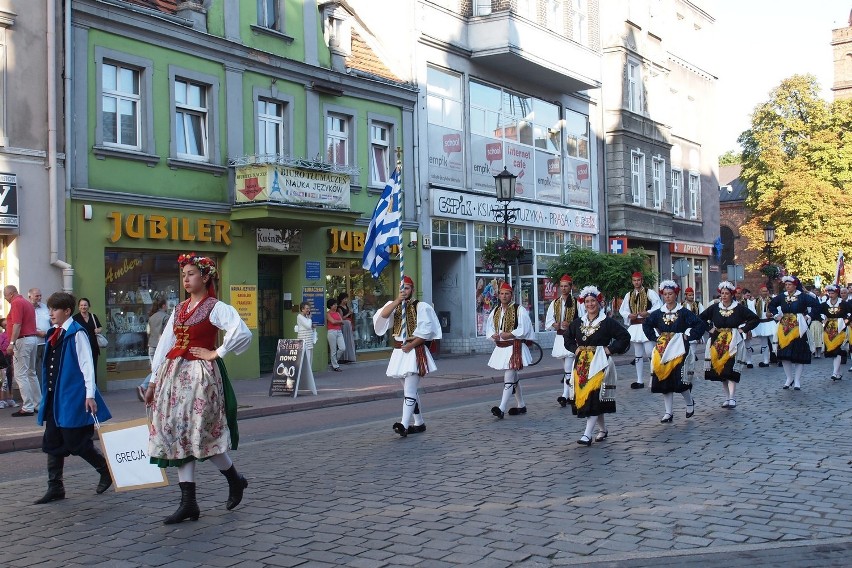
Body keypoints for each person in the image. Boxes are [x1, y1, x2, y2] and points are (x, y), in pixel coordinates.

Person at [144, 253, 252, 524]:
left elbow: (242, 332)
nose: (186, 279)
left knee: (200, 433)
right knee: (179, 433)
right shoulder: (179, 309)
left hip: (200, 378)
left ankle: (233, 480)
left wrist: (217, 352)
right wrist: (153, 381)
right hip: (173, 376)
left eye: (191, 274)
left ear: (205, 277)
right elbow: (166, 344)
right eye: (184, 275)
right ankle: (189, 502)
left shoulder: (215, 307)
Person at [34, 292, 113, 504]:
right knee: (52, 440)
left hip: (72, 396)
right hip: (54, 396)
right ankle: (55, 487)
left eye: (54, 309)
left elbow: (87, 365)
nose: (50, 313)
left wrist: (90, 394)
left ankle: (105, 470)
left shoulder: (77, 333)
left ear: (67, 311)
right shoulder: (54, 333)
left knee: (76, 441)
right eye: (50, 309)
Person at [373, 276, 441, 437]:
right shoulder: (394, 305)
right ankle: (419, 422)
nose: (404, 291)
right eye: (402, 288)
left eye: (407, 288)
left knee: (409, 390)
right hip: (399, 353)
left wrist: (412, 344)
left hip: (414, 350)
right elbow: (382, 316)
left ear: (413, 289)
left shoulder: (421, 307)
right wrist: (397, 301)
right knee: (409, 391)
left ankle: (403, 424)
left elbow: (427, 332)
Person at [564, 286, 630, 445]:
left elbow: (624, 337)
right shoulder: (578, 323)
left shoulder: (607, 322)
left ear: (599, 302)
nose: (590, 304)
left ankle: (587, 434)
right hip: (582, 365)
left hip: (600, 363)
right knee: (592, 397)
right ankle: (602, 429)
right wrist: (575, 348)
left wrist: (610, 349)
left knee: (593, 395)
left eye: (593, 301)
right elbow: (567, 338)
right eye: (587, 301)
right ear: (583, 303)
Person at [642, 281, 707, 422]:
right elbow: (646, 324)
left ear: (675, 294)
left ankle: (689, 402)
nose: (667, 297)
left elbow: (700, 324)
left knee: (679, 379)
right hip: (663, 349)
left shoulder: (683, 312)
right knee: (664, 379)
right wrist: (655, 337)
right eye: (665, 294)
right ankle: (668, 412)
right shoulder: (658, 313)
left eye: (670, 294)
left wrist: (688, 336)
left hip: (679, 349)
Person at [699, 281, 760, 409]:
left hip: (733, 341)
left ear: (732, 295)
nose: (724, 296)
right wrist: (709, 329)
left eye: (727, 293)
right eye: (722, 293)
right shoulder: (715, 308)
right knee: (722, 371)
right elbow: (700, 318)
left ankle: (732, 397)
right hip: (717, 341)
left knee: (730, 368)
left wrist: (743, 329)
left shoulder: (738, 308)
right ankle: (727, 397)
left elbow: (754, 319)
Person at [487, 282, 534, 419]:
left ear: (511, 295)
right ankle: (521, 405)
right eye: (502, 293)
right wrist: (493, 335)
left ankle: (501, 408)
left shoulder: (519, 309)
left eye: (507, 293)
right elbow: (489, 327)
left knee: (509, 375)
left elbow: (524, 327)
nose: (504, 296)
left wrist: (511, 334)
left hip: (515, 347)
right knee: (514, 377)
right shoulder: (495, 310)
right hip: (501, 347)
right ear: (498, 295)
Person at [769, 275, 819, 391]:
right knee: (785, 354)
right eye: (786, 285)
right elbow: (771, 305)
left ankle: (797, 380)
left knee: (798, 354)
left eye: (789, 285)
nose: (787, 287)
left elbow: (816, 305)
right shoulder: (782, 297)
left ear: (795, 285)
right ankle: (789, 378)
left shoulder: (802, 297)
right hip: (785, 327)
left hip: (798, 327)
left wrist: (808, 316)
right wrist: (776, 315)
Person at [619, 271, 662, 389]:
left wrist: (648, 312)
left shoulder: (650, 293)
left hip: (646, 325)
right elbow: (623, 310)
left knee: (650, 352)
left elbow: (658, 306)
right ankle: (639, 380)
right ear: (632, 282)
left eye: (638, 280)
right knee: (637, 355)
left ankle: (655, 377)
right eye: (634, 280)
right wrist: (629, 315)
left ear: (642, 281)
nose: (636, 282)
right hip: (635, 326)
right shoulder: (629, 295)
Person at [545, 275, 582, 408]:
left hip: (572, 338)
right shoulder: (555, 303)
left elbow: (582, 320)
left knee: (568, 367)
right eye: (561, 286)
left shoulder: (578, 303)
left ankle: (566, 394)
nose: (563, 288)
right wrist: (555, 324)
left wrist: (571, 324)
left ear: (571, 287)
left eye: (566, 286)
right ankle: (571, 392)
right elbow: (549, 320)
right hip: (560, 337)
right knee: (567, 368)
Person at [3, 285, 40, 417]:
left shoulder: (17, 303)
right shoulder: (27, 303)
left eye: (5, 296)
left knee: (20, 374)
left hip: (22, 340)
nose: (5, 299)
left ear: (11, 294)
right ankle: (38, 404)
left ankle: (28, 406)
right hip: (32, 339)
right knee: (31, 372)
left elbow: (17, 324)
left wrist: (11, 343)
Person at [137, 300, 169, 401]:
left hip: (151, 345)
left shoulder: (152, 317)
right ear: (164, 305)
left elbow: (148, 332)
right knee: (160, 369)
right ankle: (144, 386)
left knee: (156, 369)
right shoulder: (166, 317)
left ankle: (151, 388)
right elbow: (167, 334)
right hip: (161, 347)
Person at [820, 284, 850, 381]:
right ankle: (839, 372)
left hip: (841, 328)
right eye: (829, 293)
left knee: (837, 349)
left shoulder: (844, 304)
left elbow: (850, 313)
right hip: (829, 329)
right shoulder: (825, 304)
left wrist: (847, 320)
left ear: (837, 293)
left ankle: (834, 372)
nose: (831, 295)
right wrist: (822, 320)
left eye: (832, 293)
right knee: (833, 352)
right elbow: (819, 312)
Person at [747, 285, 777, 368]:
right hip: (761, 323)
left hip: (770, 323)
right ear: (760, 291)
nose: (765, 293)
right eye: (763, 291)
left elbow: (778, 310)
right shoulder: (755, 301)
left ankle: (779, 359)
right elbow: (752, 312)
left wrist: (771, 314)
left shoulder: (772, 300)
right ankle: (765, 360)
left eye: (766, 291)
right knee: (763, 344)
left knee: (774, 342)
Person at [72, 298, 103, 377]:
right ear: (79, 307)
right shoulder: (75, 318)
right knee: (83, 370)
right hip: (81, 348)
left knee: (93, 369)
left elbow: (100, 327)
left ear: (89, 306)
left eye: (85, 305)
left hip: (93, 346)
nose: (83, 307)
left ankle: (94, 388)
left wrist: (98, 330)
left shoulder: (93, 316)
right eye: (81, 305)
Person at [680, 287, 705, 380]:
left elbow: (702, 317)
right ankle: (684, 369)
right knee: (684, 351)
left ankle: (691, 370)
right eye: (689, 295)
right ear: (685, 295)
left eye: (692, 295)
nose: (691, 297)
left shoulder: (698, 305)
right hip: (684, 331)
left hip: (694, 330)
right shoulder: (681, 305)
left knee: (693, 352)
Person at [28, 288, 51, 383]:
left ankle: (46, 393)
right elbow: (25, 325)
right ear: (30, 297)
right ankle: (36, 395)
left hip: (46, 342)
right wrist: (38, 332)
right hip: (34, 343)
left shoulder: (45, 307)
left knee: (48, 367)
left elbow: (51, 320)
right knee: (34, 370)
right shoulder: (26, 308)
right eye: (37, 296)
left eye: (40, 295)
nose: (39, 298)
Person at [294, 301, 317, 391]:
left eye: (309, 308)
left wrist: (312, 325)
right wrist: (310, 319)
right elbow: (307, 325)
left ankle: (308, 378)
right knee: (305, 360)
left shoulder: (306, 317)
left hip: (309, 342)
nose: (308, 310)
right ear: (302, 309)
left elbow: (309, 326)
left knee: (310, 361)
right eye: (307, 308)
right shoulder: (299, 317)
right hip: (303, 342)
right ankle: (303, 379)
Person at [0, 318, 18, 408]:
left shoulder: (15, 334)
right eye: (5, 325)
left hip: (14, 359)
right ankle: (2, 400)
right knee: (5, 381)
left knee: (12, 380)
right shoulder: (2, 336)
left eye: (8, 324)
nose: (7, 326)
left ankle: (10, 398)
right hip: (5, 360)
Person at [326, 298, 345, 372]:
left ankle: (334, 361)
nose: (336, 306)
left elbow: (342, 322)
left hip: (339, 331)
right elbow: (332, 322)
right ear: (330, 306)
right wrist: (339, 321)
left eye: (336, 304)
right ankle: (335, 366)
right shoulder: (328, 314)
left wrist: (338, 321)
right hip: (331, 332)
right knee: (333, 350)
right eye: (334, 304)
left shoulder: (337, 313)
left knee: (342, 348)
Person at [337, 292, 357, 363]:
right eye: (345, 299)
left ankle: (349, 357)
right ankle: (343, 357)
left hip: (348, 324)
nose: (346, 300)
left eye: (347, 299)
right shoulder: (339, 308)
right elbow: (341, 318)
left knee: (349, 340)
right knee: (345, 340)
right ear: (341, 299)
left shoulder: (347, 306)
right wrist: (349, 313)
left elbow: (349, 317)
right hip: (344, 326)